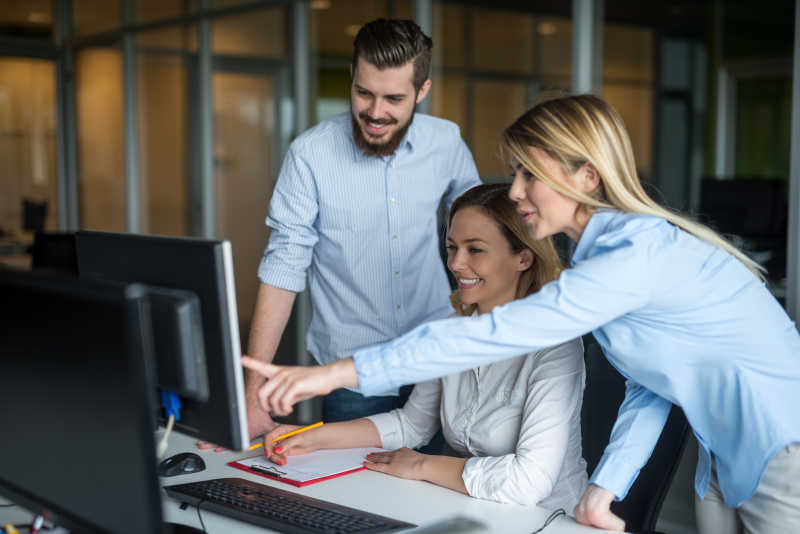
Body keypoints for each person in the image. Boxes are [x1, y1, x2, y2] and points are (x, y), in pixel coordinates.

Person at [243, 94, 800, 533]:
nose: (516, 191)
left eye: (529, 174)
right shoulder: (603, 260)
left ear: (586, 176)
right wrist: (605, 488)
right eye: (515, 173)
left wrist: (332, 374)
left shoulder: (633, 257)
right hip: (722, 453)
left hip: (783, 450)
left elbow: (500, 333)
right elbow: (650, 389)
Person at [211, 18, 480, 447]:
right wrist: (253, 393)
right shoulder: (310, 154)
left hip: (432, 356)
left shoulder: (445, 142)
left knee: (427, 480)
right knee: (352, 486)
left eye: (394, 98)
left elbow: (484, 229)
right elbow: (284, 264)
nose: (376, 112)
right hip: (350, 374)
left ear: (422, 91)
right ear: (352, 76)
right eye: (364, 93)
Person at [259, 183, 587, 510]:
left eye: (475, 250)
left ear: (523, 258)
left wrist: (421, 465)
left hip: (546, 518)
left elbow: (528, 482)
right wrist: (312, 437)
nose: (456, 263)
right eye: (452, 248)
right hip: (471, 508)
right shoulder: (452, 329)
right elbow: (412, 424)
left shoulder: (556, 344)